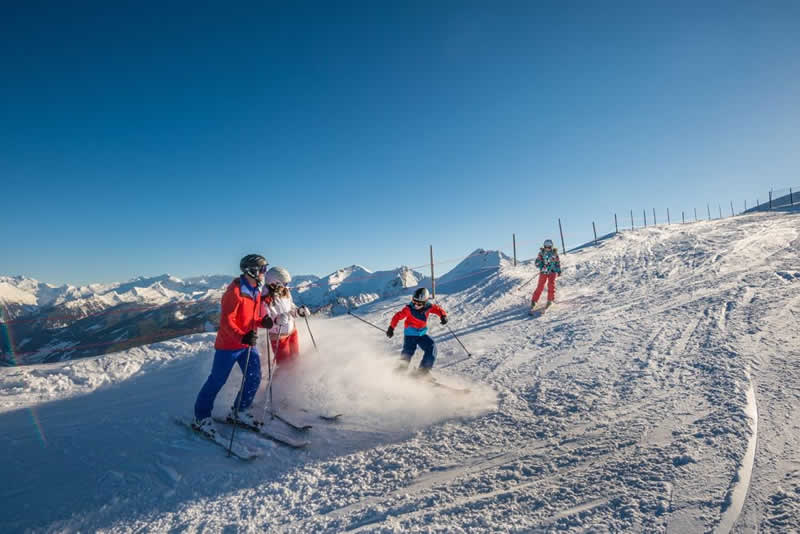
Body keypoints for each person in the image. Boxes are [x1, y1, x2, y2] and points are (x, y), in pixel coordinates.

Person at [192, 254, 274, 436]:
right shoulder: (234, 292)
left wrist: (263, 321)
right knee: (217, 380)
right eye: (262, 269)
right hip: (228, 346)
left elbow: (251, 318)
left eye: (265, 269)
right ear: (251, 271)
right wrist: (241, 336)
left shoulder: (255, 291)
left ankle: (239, 411)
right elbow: (227, 322)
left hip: (247, 344)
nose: (264, 273)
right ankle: (200, 417)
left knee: (254, 377)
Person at [386, 287, 448, 377]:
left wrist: (443, 315)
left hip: (421, 334)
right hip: (410, 335)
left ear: (425, 302)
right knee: (408, 352)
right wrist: (391, 328)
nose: (416, 305)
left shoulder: (428, 307)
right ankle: (399, 372)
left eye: (419, 304)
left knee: (431, 347)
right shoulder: (409, 309)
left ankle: (423, 372)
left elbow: (437, 309)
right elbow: (397, 316)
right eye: (414, 302)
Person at [261, 266, 310, 367]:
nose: (286, 286)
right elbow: (263, 318)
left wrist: (299, 311)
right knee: (285, 366)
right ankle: (280, 382)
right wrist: (276, 320)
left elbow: (291, 308)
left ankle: (295, 381)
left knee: (295, 360)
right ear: (274, 282)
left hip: (292, 331)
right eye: (284, 283)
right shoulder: (264, 297)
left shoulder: (285, 292)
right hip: (279, 336)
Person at [530, 239, 562, 313]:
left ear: (551, 246)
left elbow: (557, 263)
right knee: (540, 286)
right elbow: (537, 262)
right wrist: (541, 265)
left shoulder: (554, 254)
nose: (547, 248)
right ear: (544, 246)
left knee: (551, 285)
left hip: (552, 272)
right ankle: (534, 300)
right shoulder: (541, 253)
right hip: (543, 272)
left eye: (549, 246)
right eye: (546, 246)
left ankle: (550, 300)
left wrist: (558, 270)